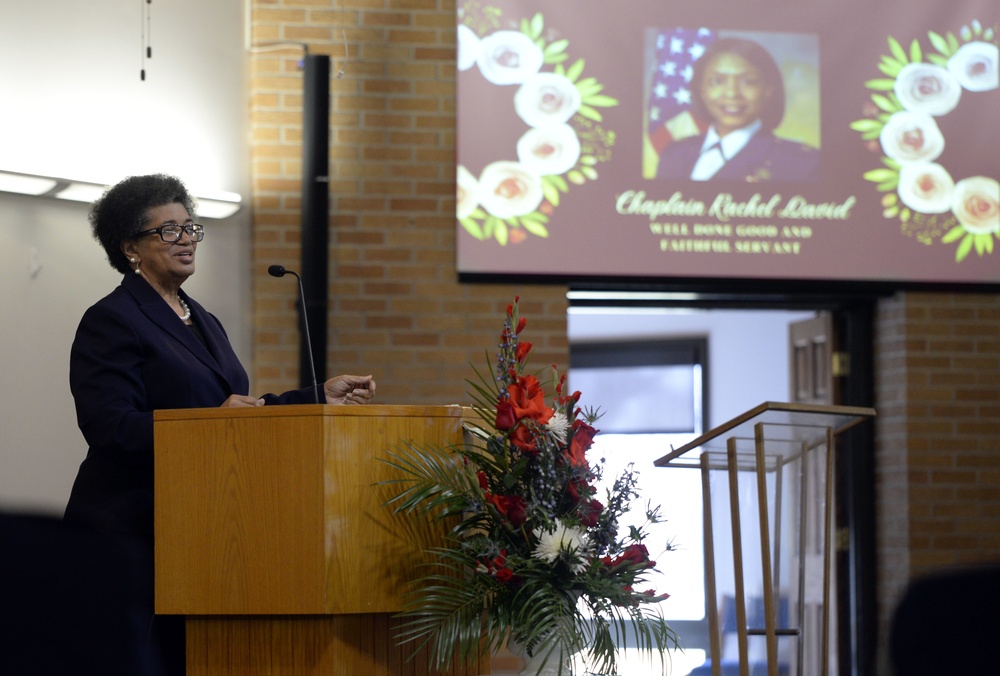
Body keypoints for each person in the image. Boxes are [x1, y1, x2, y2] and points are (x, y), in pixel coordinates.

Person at [63, 173, 376, 674]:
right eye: (168, 231)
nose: (186, 238)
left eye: (190, 227)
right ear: (130, 248)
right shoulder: (113, 319)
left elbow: (237, 411)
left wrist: (319, 397)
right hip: (134, 530)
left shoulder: (201, 318)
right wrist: (207, 422)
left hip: (204, 526)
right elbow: (110, 427)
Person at [657, 37, 819, 183]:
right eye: (717, 81)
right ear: (702, 89)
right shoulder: (675, 154)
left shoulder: (802, 163)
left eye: (747, 82)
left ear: (768, 90)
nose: (732, 93)